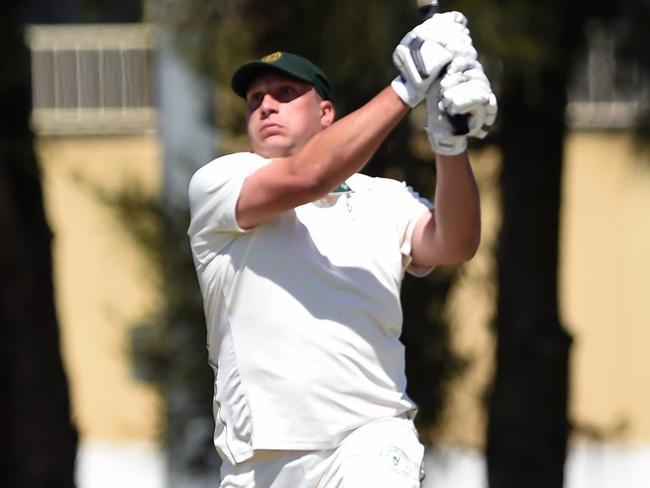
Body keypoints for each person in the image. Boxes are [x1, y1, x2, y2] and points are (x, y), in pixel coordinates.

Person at [187, 12, 497, 488]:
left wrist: (449, 144)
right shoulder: (220, 183)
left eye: (286, 94)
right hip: (260, 460)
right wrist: (407, 88)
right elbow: (306, 177)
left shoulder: (385, 197)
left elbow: (455, 243)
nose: (266, 106)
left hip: (371, 437)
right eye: (255, 100)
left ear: (326, 114)